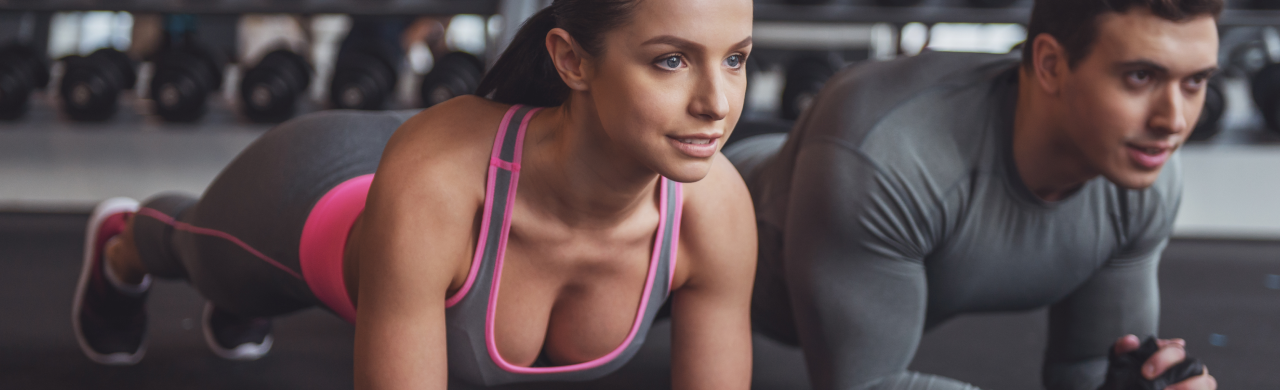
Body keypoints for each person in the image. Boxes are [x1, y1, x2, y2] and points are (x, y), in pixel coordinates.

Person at [71, 0, 757, 388]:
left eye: (736, 59)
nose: (717, 102)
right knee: (201, 254)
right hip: (321, 187)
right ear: (573, 60)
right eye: (671, 60)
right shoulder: (440, 183)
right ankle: (124, 245)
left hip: (440, 172)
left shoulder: (715, 209)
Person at [726, 0, 1222, 389]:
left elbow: (1086, 367)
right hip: (695, 225)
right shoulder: (888, 150)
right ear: (1050, 64)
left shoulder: (1142, 176)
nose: (1173, 121)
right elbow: (867, 385)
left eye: (1195, 81)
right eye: (1140, 76)